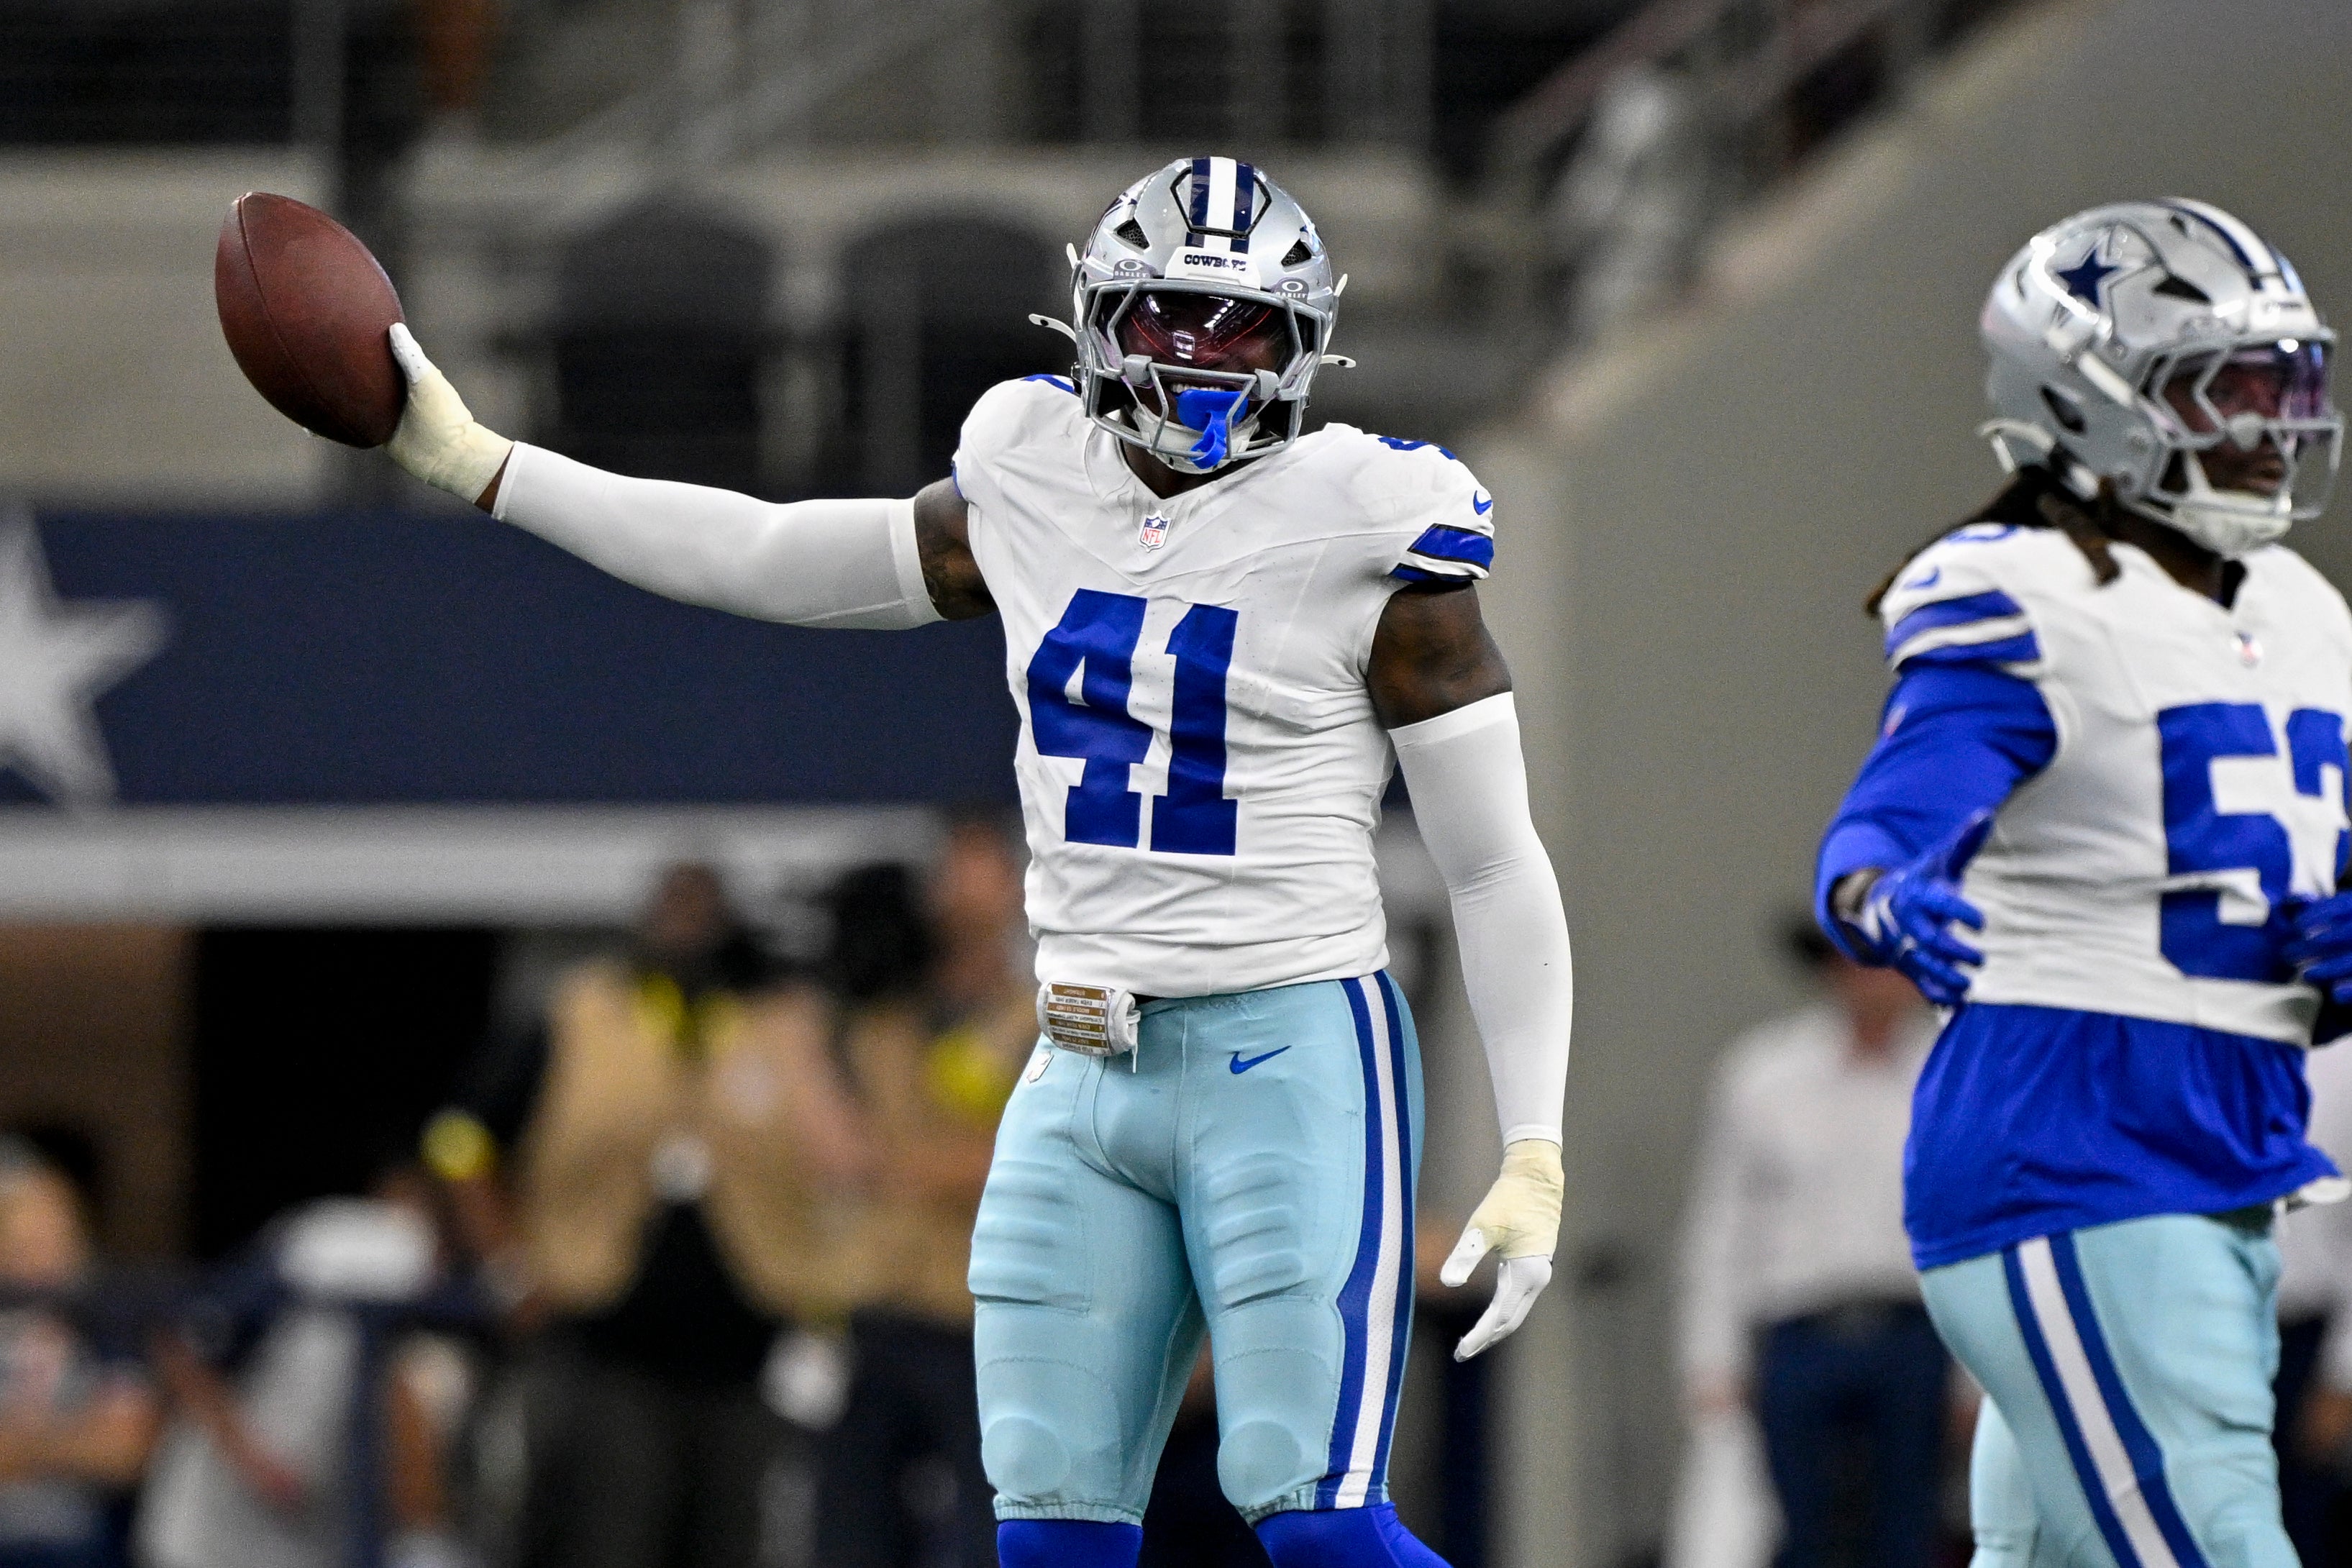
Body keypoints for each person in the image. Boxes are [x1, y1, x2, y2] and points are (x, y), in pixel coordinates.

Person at [378, 155, 1575, 1568]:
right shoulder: (1028, 466)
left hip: (1289, 1049)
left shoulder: (1376, 516)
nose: (1196, 358)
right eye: (1166, 318)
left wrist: (1534, 1135)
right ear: (1094, 320)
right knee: (1050, 1531)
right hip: (1079, 1064)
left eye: (1236, 325)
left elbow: (1493, 866)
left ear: (1303, 337)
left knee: (1310, 1515)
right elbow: (763, 551)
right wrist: (493, 469)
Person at [1816, 199, 2350, 1568]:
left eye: (2286, 382)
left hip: (2225, 1152)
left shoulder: (2302, 608)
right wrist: (1886, 897)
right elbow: (1889, 826)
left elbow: (2283, 883)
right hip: (2076, 1148)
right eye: (2226, 386)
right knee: (2222, 1545)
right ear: (2086, 400)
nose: (2272, 421)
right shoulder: (2026, 591)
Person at [420, 861, 868, 1568]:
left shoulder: (777, 1023)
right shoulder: (581, 1011)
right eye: (675, 909)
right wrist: (506, 1263)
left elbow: (847, 1161)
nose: (688, 929)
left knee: (736, 1540)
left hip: (750, 1354)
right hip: (608, 1349)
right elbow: (460, 1138)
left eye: (704, 912)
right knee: (612, 1532)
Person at [1677, 924, 1943, 1568]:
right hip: (1799, 1332)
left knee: (1908, 1529)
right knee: (1798, 1529)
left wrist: (1975, 1376)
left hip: (1915, 1331)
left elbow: (1967, 1222)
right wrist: (1711, 1352)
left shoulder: (1946, 1076)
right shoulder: (1764, 1074)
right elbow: (1723, 1222)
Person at [816, 823, 1036, 1568]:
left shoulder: (1037, 1017)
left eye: (982, 883)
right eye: (951, 883)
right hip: (878, 1306)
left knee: (980, 1528)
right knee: (851, 1526)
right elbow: (832, 1149)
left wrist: (910, 1164)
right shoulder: (881, 1017)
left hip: (980, 1321)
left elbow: (1033, 1155)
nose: (963, 907)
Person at [0, 1141, 156, 1568]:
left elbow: (125, 1453)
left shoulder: (107, 1328)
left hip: (77, 1547)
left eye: (54, 1234)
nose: (41, 1254)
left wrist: (23, 1445)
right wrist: (72, 1438)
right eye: (22, 1240)